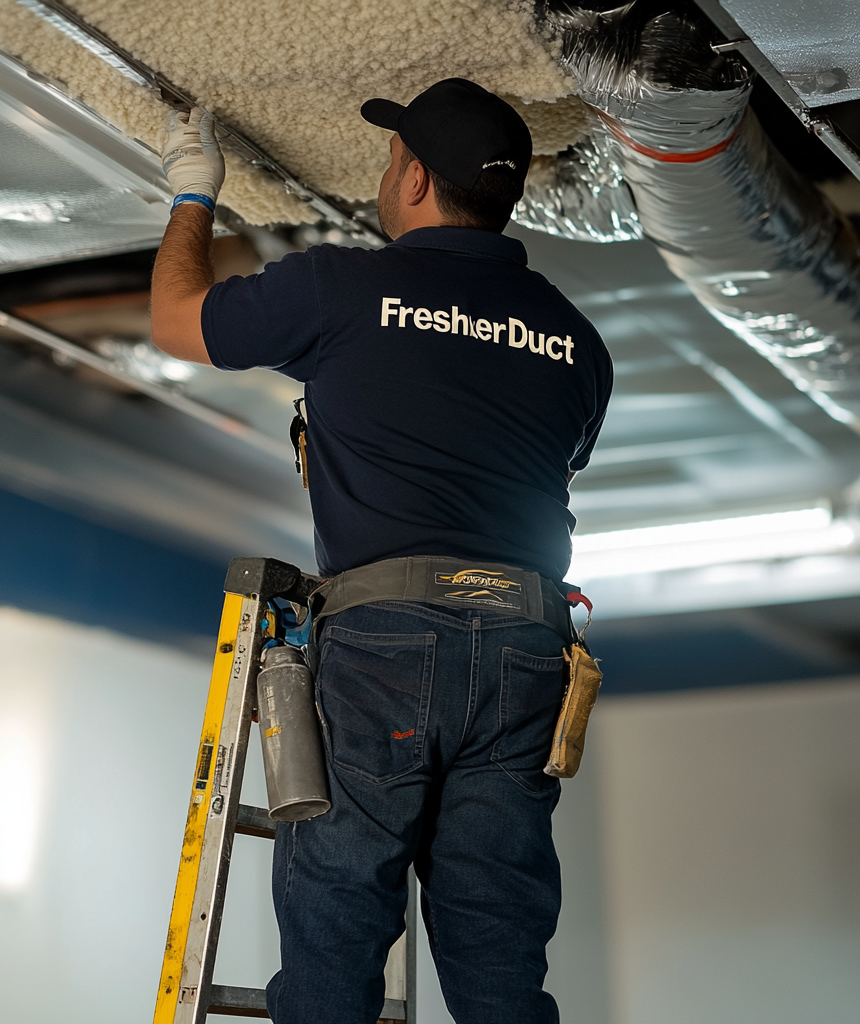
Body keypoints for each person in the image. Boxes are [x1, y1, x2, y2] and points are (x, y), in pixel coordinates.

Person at [151, 78, 612, 1024]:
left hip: (388, 641)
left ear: (414, 179)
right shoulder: (577, 340)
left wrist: (193, 193)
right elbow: (550, 465)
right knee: (499, 950)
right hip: (527, 647)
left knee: (338, 921)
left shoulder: (345, 288)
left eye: (394, 155)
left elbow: (176, 319)